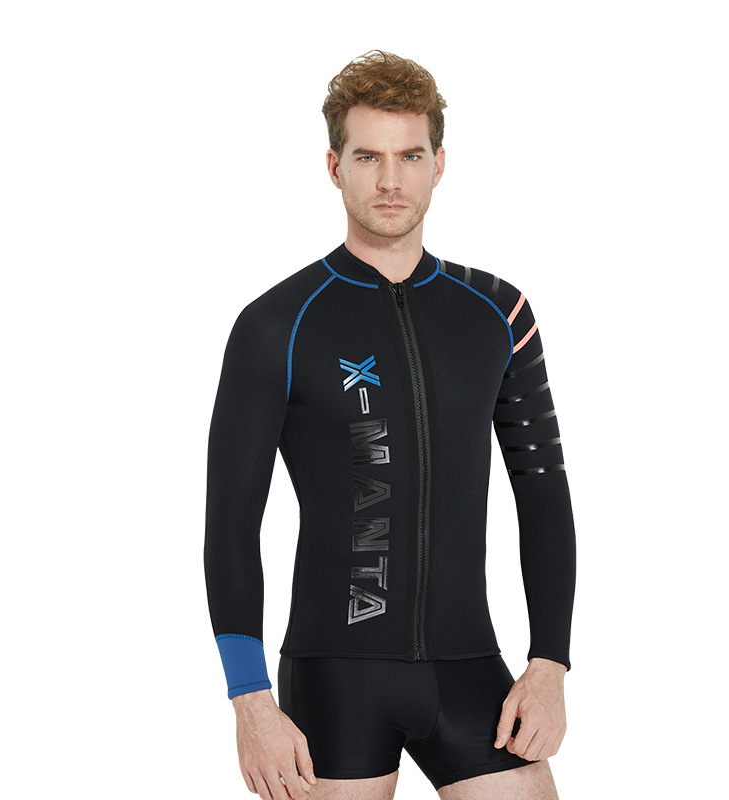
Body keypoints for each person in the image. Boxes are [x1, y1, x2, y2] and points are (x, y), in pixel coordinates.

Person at [204, 50, 577, 800]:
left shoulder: (498, 313)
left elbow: (542, 492)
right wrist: (251, 703)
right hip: (333, 679)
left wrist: (549, 663)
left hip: (470, 669)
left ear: (439, 164)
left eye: (409, 156)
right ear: (333, 166)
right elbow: (232, 523)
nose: (389, 181)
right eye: (367, 156)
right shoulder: (277, 325)